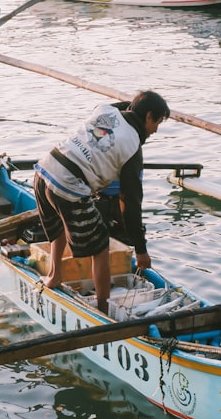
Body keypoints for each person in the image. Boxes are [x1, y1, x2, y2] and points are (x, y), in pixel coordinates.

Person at [33, 90, 170, 314]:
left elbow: (126, 106)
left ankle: (54, 275)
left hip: (44, 171)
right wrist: (141, 249)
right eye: (157, 122)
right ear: (148, 117)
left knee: (57, 224)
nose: (156, 130)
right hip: (69, 184)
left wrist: (138, 103)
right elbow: (131, 203)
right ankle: (104, 308)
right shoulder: (132, 148)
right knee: (101, 246)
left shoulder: (106, 110)